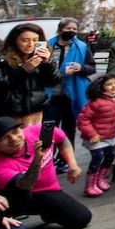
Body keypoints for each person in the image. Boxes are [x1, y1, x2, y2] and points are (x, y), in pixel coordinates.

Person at [0, 117, 90, 229]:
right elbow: (23, 186)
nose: (13, 139)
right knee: (25, 195)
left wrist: (72, 164)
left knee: (82, 218)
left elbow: (62, 139)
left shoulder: (37, 131)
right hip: (14, 198)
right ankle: (3, 219)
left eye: (16, 132)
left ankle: (49, 211)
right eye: (4, 138)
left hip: (48, 190)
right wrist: (37, 158)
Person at [0, 24, 62, 125]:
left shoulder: (43, 59)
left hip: (34, 113)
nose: (30, 44)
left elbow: (53, 81)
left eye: (35, 40)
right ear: (14, 40)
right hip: (8, 114)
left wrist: (47, 64)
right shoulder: (0, 61)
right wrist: (23, 70)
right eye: (25, 40)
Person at [44, 18, 95, 173]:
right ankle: (46, 158)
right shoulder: (48, 45)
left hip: (71, 94)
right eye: (69, 28)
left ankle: (65, 159)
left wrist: (81, 68)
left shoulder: (81, 47)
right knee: (48, 127)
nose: (72, 31)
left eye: (74, 29)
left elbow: (91, 67)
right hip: (51, 94)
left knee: (69, 128)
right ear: (60, 30)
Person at [75, 74, 115, 198]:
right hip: (96, 137)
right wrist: (92, 134)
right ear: (102, 87)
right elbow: (83, 119)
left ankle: (100, 179)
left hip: (110, 135)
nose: (113, 86)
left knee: (110, 155)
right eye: (109, 84)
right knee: (98, 157)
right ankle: (90, 185)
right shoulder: (96, 102)